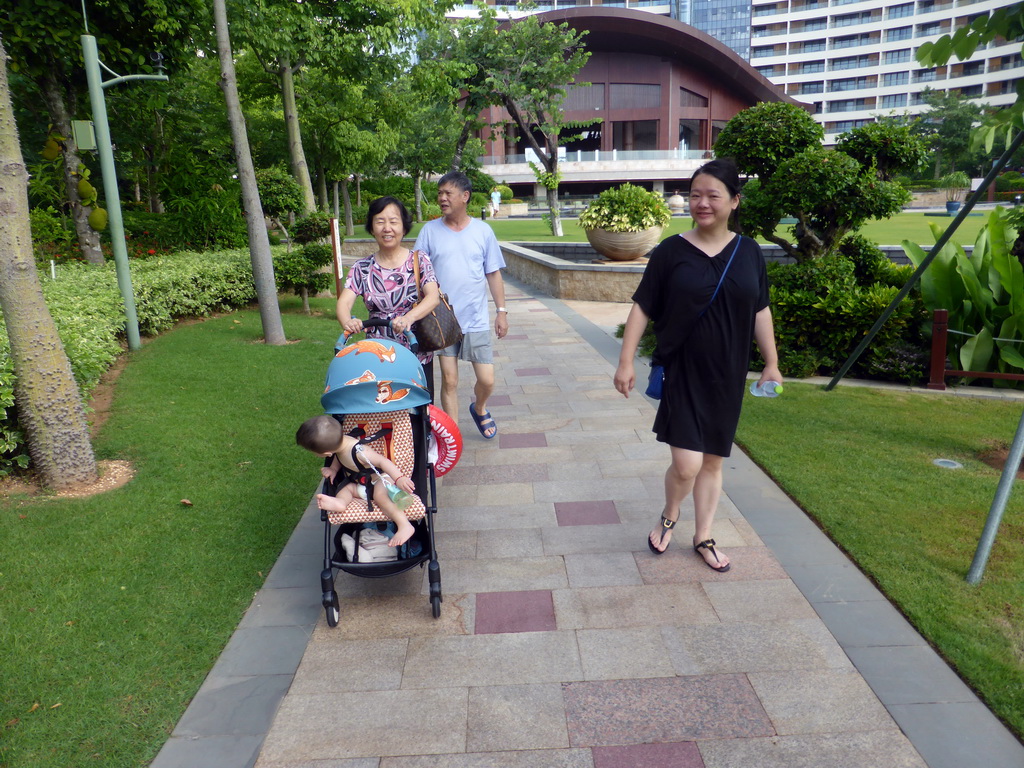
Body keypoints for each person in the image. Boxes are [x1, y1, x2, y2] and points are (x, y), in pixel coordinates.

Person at [613, 158, 781, 573]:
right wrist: (625, 361)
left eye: (713, 196)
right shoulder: (672, 251)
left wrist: (772, 363)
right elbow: (642, 308)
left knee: (712, 461)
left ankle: (703, 535)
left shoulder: (749, 253)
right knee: (686, 465)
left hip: (727, 374)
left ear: (734, 201)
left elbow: (760, 310)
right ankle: (671, 512)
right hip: (682, 371)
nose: (702, 203)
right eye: (695, 195)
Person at [414, 172, 508, 439]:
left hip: (475, 318)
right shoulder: (430, 232)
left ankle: (479, 408)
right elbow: (418, 274)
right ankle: (451, 434)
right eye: (440, 193)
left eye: (448, 193)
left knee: (487, 379)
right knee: (450, 380)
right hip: (441, 320)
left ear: (465, 197)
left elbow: (493, 273)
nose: (442, 198)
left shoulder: (482, 231)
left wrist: (501, 312)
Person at [336, 196, 440, 396]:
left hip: (416, 353)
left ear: (403, 226)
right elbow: (343, 303)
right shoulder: (362, 268)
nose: (387, 228)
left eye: (393, 221)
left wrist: (409, 317)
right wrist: (348, 322)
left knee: (418, 416)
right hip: (377, 357)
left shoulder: (418, 261)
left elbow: (432, 297)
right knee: (381, 412)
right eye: (380, 221)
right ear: (372, 227)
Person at [296, 415, 416, 547]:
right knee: (345, 489)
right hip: (362, 485)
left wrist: (399, 478)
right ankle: (340, 502)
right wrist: (333, 469)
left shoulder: (359, 451)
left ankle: (405, 525)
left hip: (381, 481)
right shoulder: (341, 445)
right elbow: (338, 457)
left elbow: (382, 461)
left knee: (379, 495)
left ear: (326, 453)